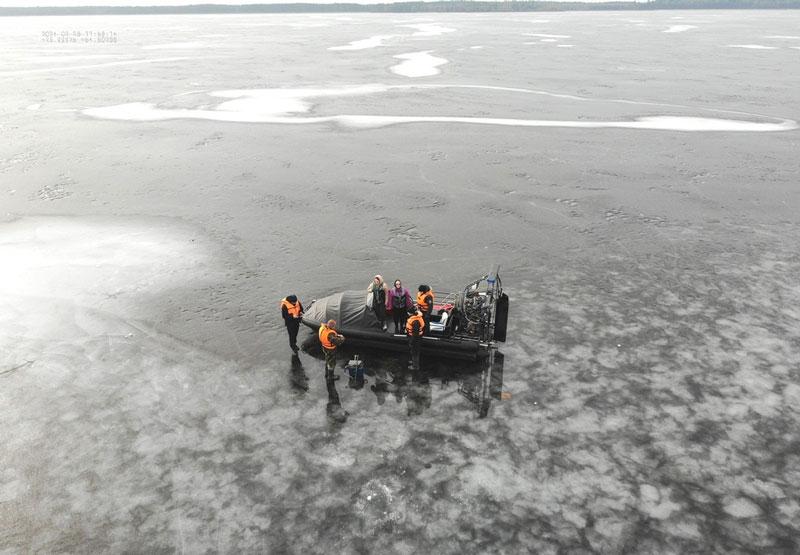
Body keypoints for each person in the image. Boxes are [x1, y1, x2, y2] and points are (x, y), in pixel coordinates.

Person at [406, 306, 425, 371]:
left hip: (416, 339)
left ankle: (415, 366)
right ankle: (414, 362)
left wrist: (412, 341)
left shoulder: (415, 322)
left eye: (408, 313)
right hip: (416, 337)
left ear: (411, 313)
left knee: (415, 353)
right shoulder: (417, 318)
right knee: (414, 352)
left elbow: (415, 334)